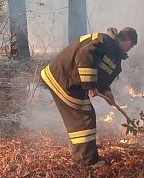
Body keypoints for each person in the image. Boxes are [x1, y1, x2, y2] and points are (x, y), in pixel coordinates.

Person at [40, 27, 138, 165]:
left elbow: (100, 72)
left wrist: (106, 91)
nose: (130, 48)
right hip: (63, 79)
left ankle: (87, 150)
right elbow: (85, 54)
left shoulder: (112, 51)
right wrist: (90, 85)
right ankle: (85, 160)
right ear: (125, 40)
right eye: (131, 44)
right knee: (84, 117)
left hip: (69, 80)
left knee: (87, 114)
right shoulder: (104, 41)